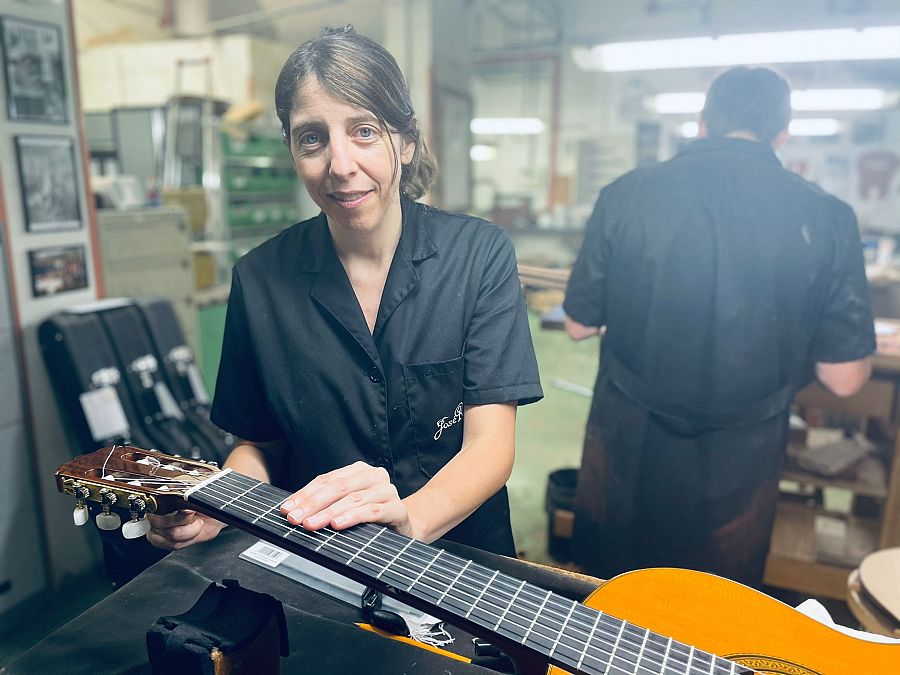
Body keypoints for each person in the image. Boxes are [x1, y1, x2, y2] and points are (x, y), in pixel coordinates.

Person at [148, 26, 542, 557]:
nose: (340, 165)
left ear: (404, 142)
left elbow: (490, 447)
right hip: (325, 559)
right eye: (313, 137)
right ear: (293, 150)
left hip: (462, 557)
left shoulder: (478, 256)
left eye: (363, 131)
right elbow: (258, 444)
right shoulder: (259, 280)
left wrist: (411, 519)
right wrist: (216, 506)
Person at [563, 66, 875, 587]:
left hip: (630, 451)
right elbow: (844, 377)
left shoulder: (625, 194)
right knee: (715, 608)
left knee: (615, 594)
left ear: (703, 123)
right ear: (782, 133)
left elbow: (577, 324)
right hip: (741, 463)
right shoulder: (828, 216)